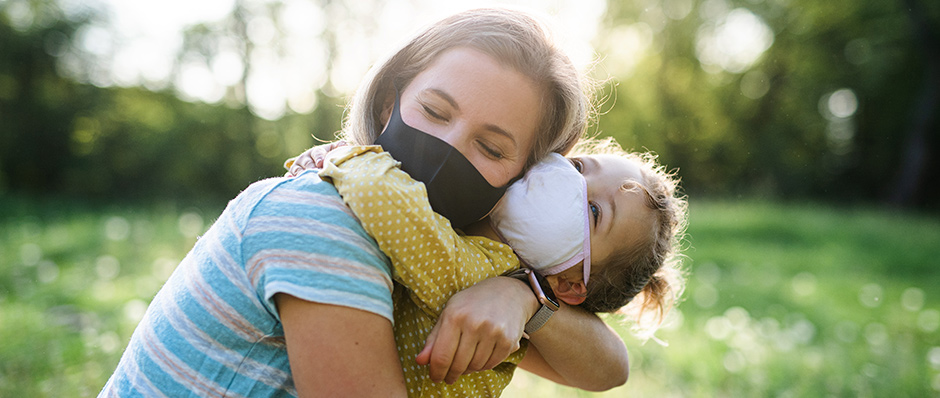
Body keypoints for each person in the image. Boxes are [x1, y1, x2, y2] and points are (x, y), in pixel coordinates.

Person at [100, 7, 631, 398]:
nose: (448, 148)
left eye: (491, 148)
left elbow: (608, 368)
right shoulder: (324, 218)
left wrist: (523, 300)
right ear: (386, 104)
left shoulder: (432, 253)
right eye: (435, 111)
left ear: (522, 177)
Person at [293, 132, 687, 396]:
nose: (570, 184)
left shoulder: (484, 267)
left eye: (594, 211)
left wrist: (349, 156)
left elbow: (381, 198)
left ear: (570, 283)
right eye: (581, 167)